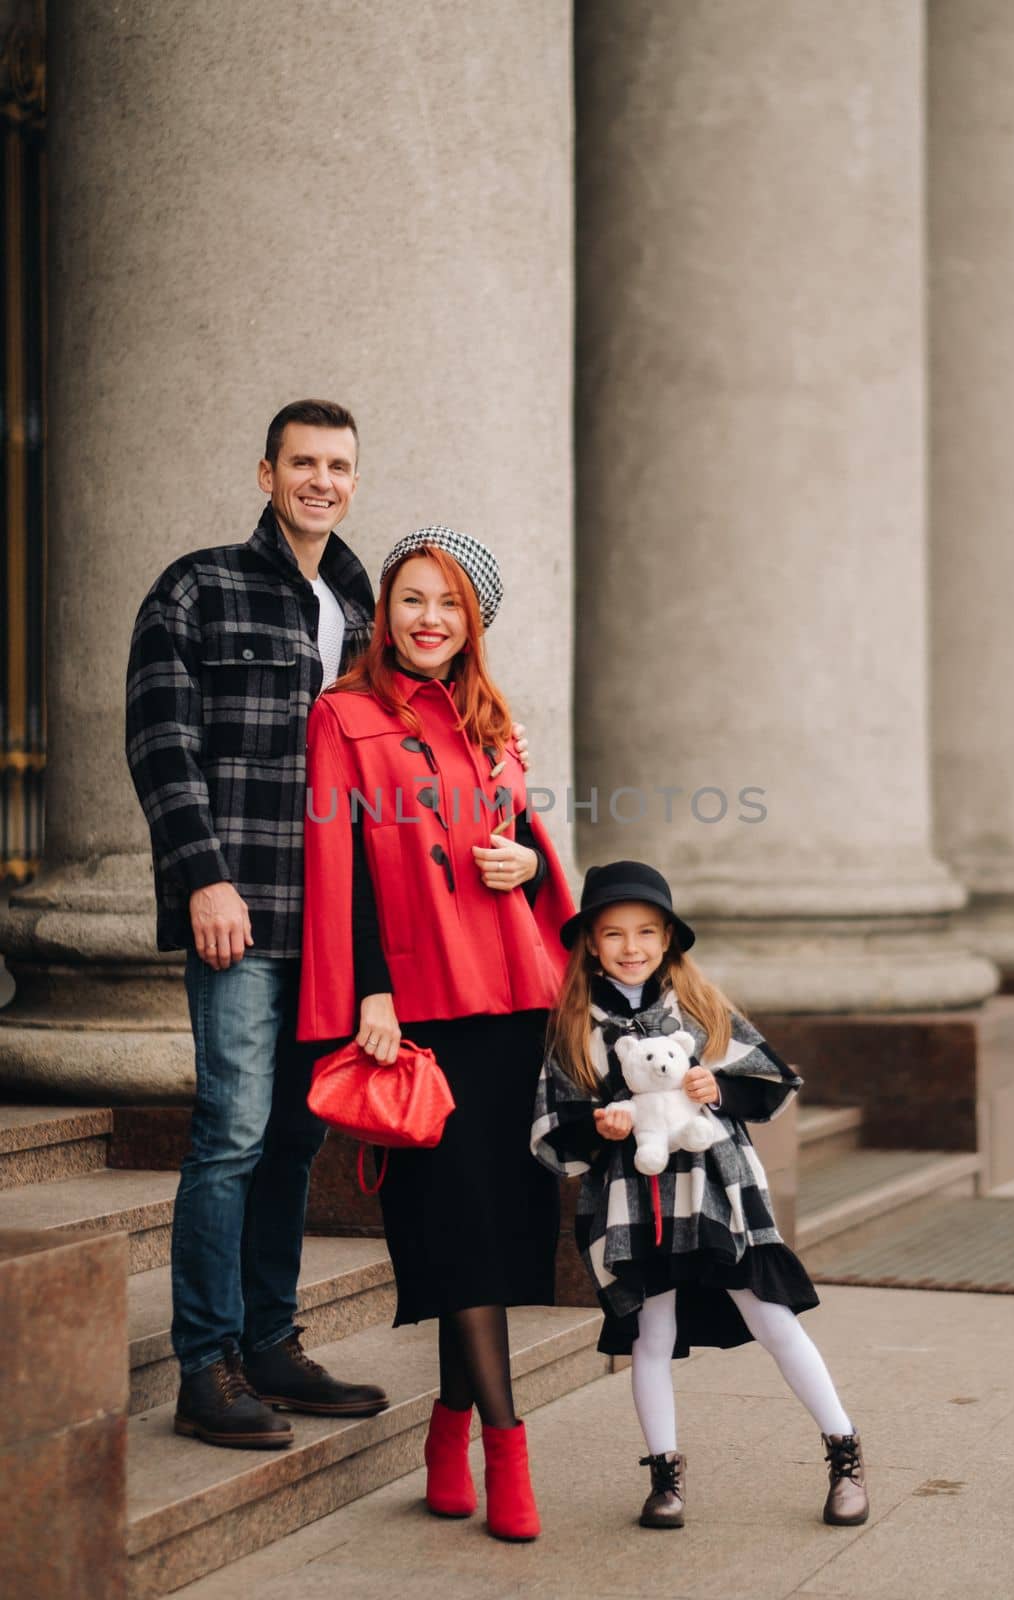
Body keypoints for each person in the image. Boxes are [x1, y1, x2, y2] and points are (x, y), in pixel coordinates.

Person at [297, 526, 575, 1542]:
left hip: (510, 1005)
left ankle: (450, 1422)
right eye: (412, 599)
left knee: (501, 1229)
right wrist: (369, 990)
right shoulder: (344, 715)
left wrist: (528, 872)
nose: (428, 620)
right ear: (386, 612)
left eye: (448, 605)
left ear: (474, 623)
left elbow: (527, 851)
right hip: (420, 1008)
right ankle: (508, 1448)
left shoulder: (494, 724)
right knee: (455, 1225)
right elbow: (342, 860)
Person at [125, 399, 391, 1449]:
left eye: (339, 465)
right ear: (265, 472)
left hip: (328, 921)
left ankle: (272, 1344)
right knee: (231, 1135)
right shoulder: (197, 584)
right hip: (240, 909)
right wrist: (204, 878)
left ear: (354, 480)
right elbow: (159, 738)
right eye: (303, 463)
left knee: (291, 1138)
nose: (321, 480)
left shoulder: (363, 603)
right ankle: (207, 1366)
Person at [531, 860, 869, 1531]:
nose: (632, 947)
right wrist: (600, 1127)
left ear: (667, 940)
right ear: (592, 945)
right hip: (634, 1204)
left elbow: (769, 1079)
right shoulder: (575, 1026)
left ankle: (845, 1453)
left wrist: (721, 1090)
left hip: (718, 1194)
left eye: (646, 932)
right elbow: (552, 1126)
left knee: (772, 1317)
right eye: (615, 934)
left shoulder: (700, 1008)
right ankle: (665, 1476)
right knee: (651, 1334)